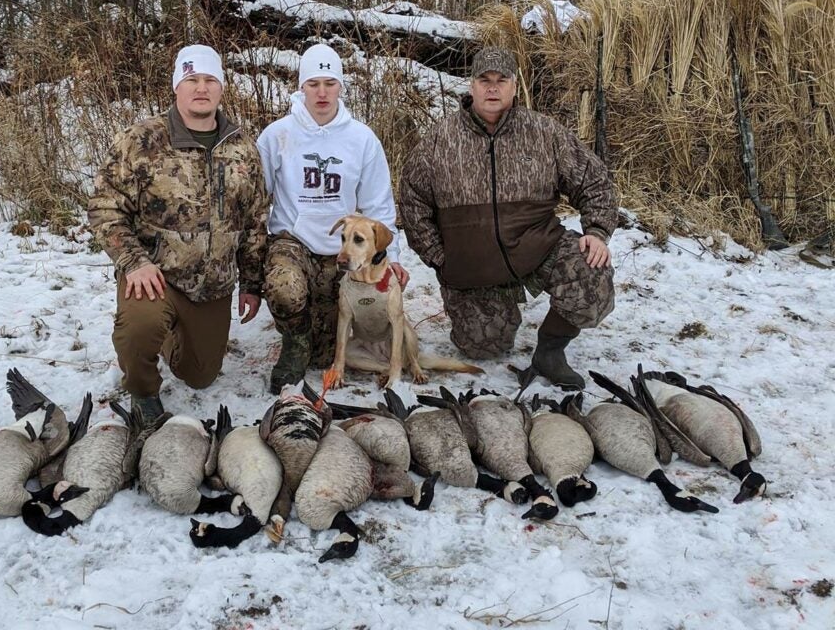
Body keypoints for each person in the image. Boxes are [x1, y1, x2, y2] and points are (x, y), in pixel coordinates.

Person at [399, 47, 616, 390]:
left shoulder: (544, 132)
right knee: (483, 346)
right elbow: (412, 202)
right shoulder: (440, 140)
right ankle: (494, 313)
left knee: (592, 272)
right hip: (474, 267)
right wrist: (439, 257)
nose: (492, 88)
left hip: (538, 247)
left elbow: (594, 180)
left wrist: (597, 230)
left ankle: (550, 351)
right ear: (471, 86)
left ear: (515, 86)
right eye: (484, 80)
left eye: (502, 80)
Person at [88, 44, 268, 421]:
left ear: (221, 87)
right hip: (156, 276)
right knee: (139, 329)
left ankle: (172, 334)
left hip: (212, 285)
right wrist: (134, 263)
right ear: (176, 86)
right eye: (191, 79)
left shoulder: (243, 148)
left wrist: (251, 283)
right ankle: (142, 391)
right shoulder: (141, 141)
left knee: (200, 375)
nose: (201, 88)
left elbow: (254, 220)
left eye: (209, 79)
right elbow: (105, 208)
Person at [257, 43, 408, 394]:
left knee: (324, 355)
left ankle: (314, 337)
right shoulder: (277, 135)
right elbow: (255, 199)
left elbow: (378, 206)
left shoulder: (362, 139)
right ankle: (294, 343)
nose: (322, 92)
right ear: (301, 87)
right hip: (292, 243)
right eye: (313, 84)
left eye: (330, 83)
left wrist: (393, 256)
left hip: (341, 253)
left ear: (341, 86)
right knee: (284, 288)